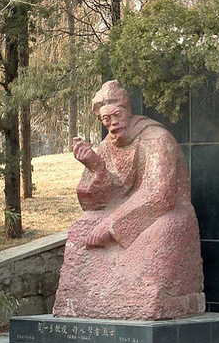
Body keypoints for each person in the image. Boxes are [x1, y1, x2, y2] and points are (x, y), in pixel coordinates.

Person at [53, 80, 204, 320]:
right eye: (106, 119)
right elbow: (96, 203)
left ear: (127, 110)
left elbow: (160, 194)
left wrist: (112, 226)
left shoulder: (157, 138)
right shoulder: (106, 146)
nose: (112, 124)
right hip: (125, 209)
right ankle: (86, 298)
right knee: (83, 225)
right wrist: (95, 166)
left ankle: (144, 298)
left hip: (166, 210)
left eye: (116, 115)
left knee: (161, 232)